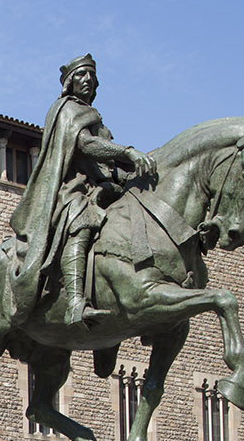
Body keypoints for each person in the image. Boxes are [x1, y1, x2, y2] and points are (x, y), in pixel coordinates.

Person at [9, 53, 158, 327]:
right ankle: (76, 303)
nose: (88, 79)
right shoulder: (66, 111)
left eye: (91, 75)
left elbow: (108, 164)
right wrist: (128, 152)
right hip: (72, 191)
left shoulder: (98, 121)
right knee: (82, 219)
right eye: (81, 75)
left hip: (102, 189)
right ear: (68, 82)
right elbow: (86, 146)